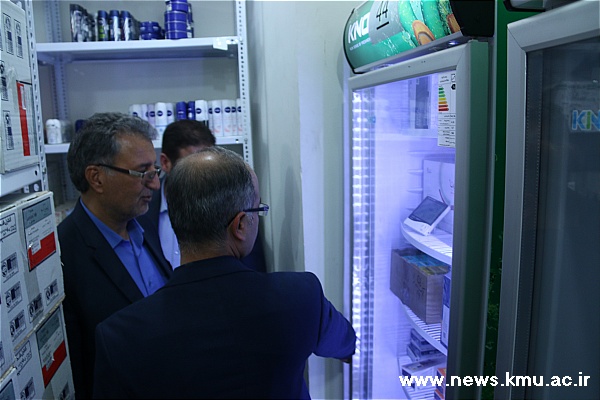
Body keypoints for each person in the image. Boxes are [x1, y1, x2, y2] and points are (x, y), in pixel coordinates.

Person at [93, 146, 356, 399]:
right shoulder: (300, 296)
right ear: (240, 225)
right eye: (258, 209)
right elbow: (346, 344)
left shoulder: (120, 336)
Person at [58, 112, 173, 399]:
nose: (154, 185)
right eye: (142, 173)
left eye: (155, 172)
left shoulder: (144, 225)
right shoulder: (63, 256)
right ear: (96, 178)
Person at [137, 119, 267, 271]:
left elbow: (252, 269)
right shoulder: (140, 209)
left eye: (210, 166)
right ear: (165, 163)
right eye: (191, 166)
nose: (204, 175)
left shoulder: (236, 206)